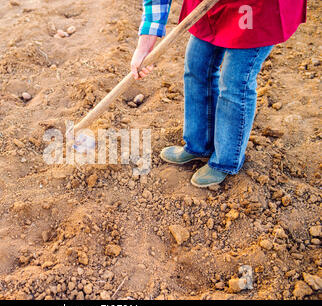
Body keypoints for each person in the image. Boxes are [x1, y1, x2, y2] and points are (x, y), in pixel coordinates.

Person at [131, 0, 307, 188]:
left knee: (235, 81)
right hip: (212, 5)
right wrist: (145, 43)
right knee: (197, 65)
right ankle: (199, 145)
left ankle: (225, 160)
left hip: (259, 7)